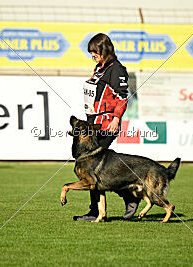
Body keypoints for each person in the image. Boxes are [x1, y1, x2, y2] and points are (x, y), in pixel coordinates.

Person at [74, 33, 141, 221]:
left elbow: (121, 97)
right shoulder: (100, 68)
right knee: (93, 169)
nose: (92, 55)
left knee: (91, 168)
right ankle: (115, 203)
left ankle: (106, 207)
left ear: (104, 49)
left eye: (94, 51)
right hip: (93, 124)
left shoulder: (116, 70)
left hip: (106, 125)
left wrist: (116, 119)